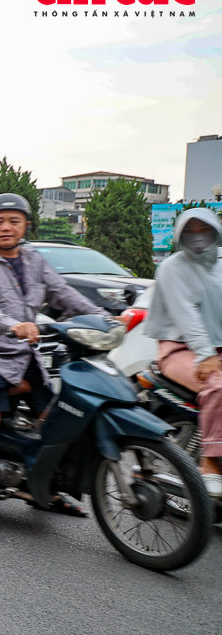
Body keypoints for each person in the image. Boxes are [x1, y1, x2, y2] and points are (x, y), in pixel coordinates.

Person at [0, 193, 105, 535]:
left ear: (26, 225)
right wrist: (11, 325)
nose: (6, 227)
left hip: (27, 359)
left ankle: (45, 490)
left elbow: (63, 293)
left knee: (64, 421)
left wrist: (106, 318)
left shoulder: (34, 260)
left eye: (14, 221)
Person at [144, 208, 222, 498]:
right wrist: (206, 354)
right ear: (178, 234)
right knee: (218, 385)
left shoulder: (219, 264)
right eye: (189, 230)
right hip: (179, 350)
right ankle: (210, 463)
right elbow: (186, 313)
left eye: (203, 229)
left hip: (216, 348)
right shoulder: (172, 267)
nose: (197, 236)